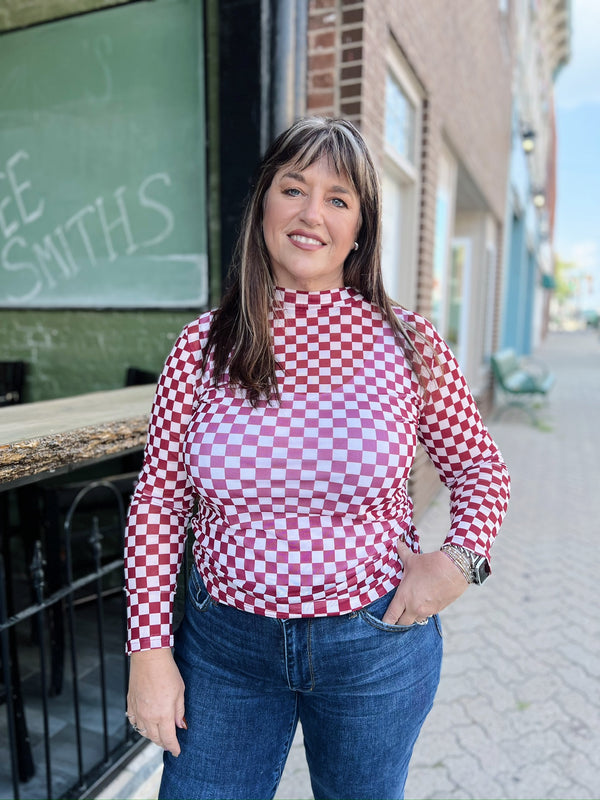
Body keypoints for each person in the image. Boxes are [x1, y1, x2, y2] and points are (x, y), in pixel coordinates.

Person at [124, 116, 510, 800]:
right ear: (264, 204)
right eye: (293, 188)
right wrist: (149, 651)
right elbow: (159, 502)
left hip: (372, 646)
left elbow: (481, 467)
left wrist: (458, 566)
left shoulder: (408, 342)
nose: (311, 214)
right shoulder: (201, 348)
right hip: (226, 652)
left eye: (338, 199)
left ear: (360, 226)